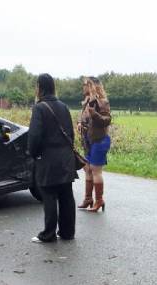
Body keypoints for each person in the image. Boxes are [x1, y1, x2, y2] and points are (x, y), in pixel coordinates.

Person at [27, 73, 77, 243]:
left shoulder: (39, 108)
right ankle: (67, 232)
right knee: (66, 195)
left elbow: (34, 136)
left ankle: (48, 234)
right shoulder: (64, 106)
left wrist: (33, 153)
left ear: (40, 87)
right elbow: (71, 133)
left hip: (48, 159)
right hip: (66, 158)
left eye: (36, 86)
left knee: (49, 195)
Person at [76, 77, 111, 212]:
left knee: (96, 171)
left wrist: (94, 113)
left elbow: (106, 120)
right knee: (87, 169)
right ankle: (88, 198)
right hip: (88, 141)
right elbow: (84, 119)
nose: (83, 87)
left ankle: (99, 200)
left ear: (92, 86)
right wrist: (80, 123)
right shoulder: (86, 102)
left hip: (99, 140)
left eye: (85, 84)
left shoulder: (102, 102)